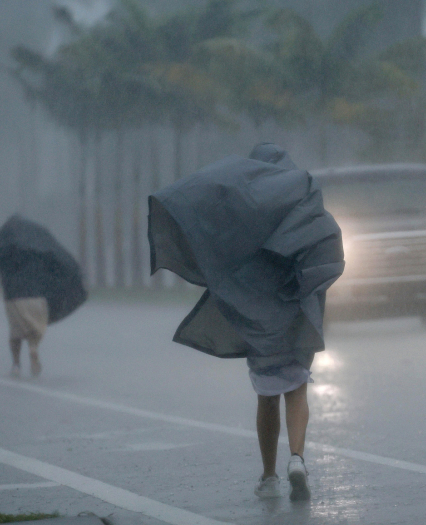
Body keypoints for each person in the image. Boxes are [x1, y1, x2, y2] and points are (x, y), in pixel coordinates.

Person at [147, 143, 344, 501]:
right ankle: (297, 459)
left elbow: (218, 245)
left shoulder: (243, 209)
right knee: (297, 388)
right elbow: (324, 244)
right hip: (297, 314)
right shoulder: (302, 197)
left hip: (258, 317)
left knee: (267, 395)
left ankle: (268, 476)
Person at [0, 215, 86, 378]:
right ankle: (33, 348)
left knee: (15, 333)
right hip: (37, 297)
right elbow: (56, 259)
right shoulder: (38, 248)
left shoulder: (6, 249)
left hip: (14, 296)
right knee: (34, 330)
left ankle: (16, 365)